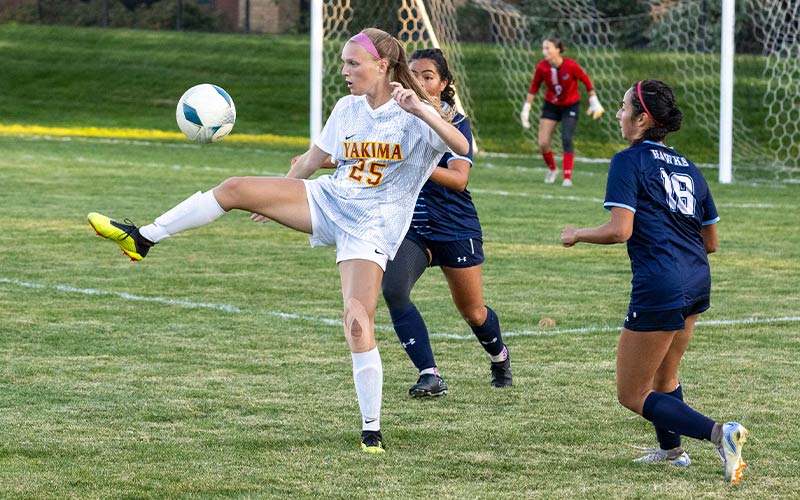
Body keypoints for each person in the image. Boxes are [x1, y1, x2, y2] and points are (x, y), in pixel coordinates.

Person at [86, 27, 469, 454]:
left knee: (357, 322)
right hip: (330, 200)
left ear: (382, 65)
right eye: (343, 63)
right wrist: (278, 192)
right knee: (234, 188)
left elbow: (461, 146)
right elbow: (310, 159)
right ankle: (142, 237)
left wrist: (420, 110)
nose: (344, 71)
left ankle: (371, 430)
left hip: (372, 227)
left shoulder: (416, 111)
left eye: (352, 63)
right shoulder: (347, 107)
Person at [560, 80, 748, 484]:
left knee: (632, 393)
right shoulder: (690, 168)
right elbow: (711, 241)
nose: (618, 113)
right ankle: (671, 450)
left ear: (643, 118)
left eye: (624, 106)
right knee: (665, 378)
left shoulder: (629, 161)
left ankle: (720, 433)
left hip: (660, 281)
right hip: (697, 277)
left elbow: (619, 230)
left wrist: (577, 233)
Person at [381, 48, 512, 399]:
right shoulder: (397, 117)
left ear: (444, 84)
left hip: (455, 227)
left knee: (473, 312)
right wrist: (323, 160)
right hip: (415, 227)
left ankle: (499, 356)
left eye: (428, 76)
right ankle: (430, 374)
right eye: (415, 75)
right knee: (393, 290)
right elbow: (374, 155)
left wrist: (414, 164)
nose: (421, 82)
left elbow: (458, 180)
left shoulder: (454, 121)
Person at [519, 37, 604, 186]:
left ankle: (567, 177)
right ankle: (552, 169)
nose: (544, 51)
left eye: (548, 48)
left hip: (570, 106)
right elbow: (534, 88)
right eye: (543, 48)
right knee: (543, 142)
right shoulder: (542, 67)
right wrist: (526, 109)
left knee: (566, 138)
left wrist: (594, 100)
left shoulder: (570, 65)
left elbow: (586, 80)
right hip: (551, 105)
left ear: (558, 50)